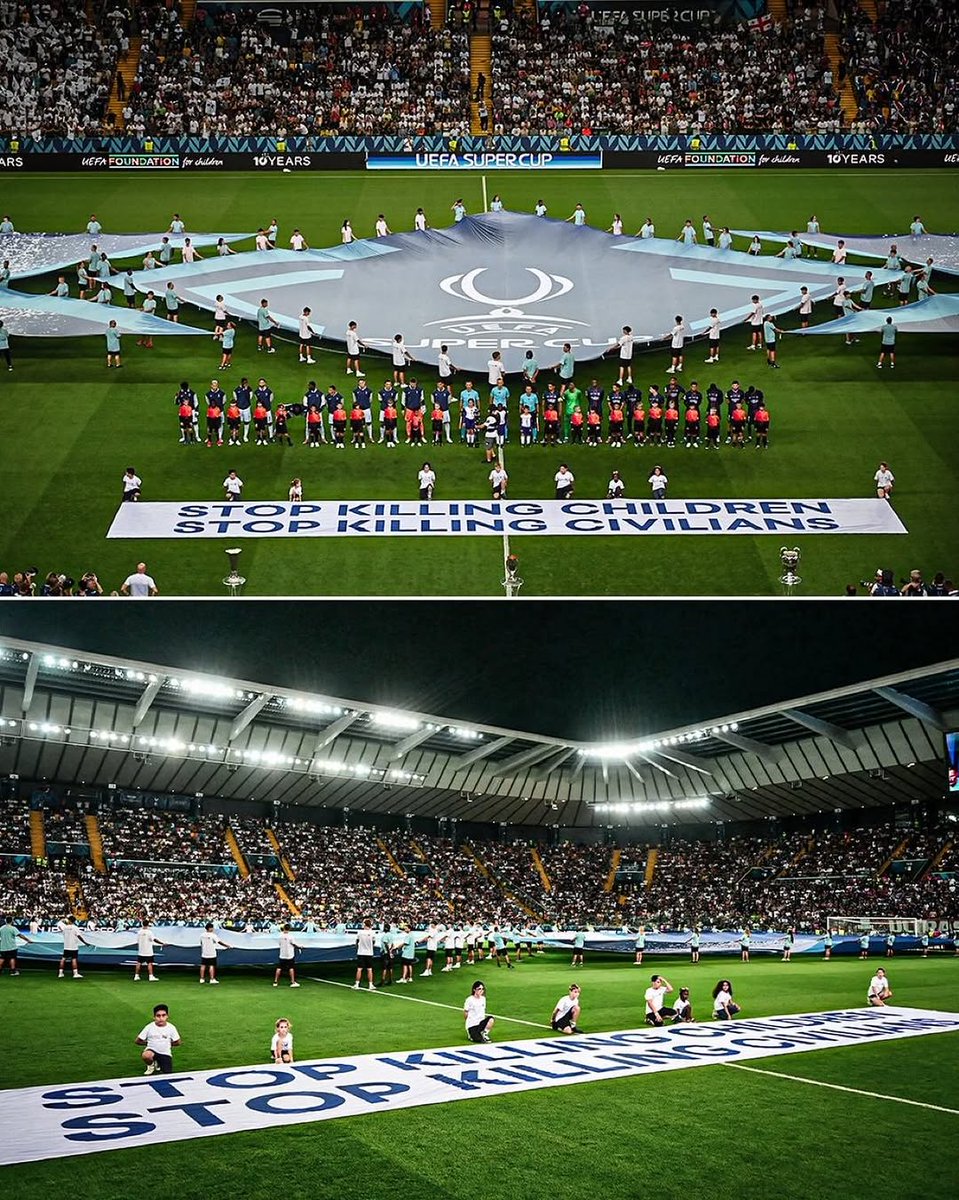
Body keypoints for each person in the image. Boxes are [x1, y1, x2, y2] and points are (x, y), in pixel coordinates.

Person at [137, 1003, 181, 1076]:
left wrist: (167, 1043)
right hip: (152, 1051)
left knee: (167, 1074)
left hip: (165, 1053)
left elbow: (178, 1042)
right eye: (158, 1016)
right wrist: (150, 1043)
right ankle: (151, 1065)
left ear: (167, 1016)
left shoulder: (171, 1028)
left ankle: (158, 1063)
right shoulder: (149, 1027)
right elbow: (138, 1041)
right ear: (154, 1017)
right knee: (146, 1055)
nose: (161, 1018)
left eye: (163, 1015)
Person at [353, 918, 377, 991]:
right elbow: (373, 942)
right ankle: (370, 984)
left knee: (359, 969)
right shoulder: (373, 933)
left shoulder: (360, 932)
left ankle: (357, 984)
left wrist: (358, 948)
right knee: (369, 969)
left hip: (361, 953)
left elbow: (356, 942)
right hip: (369, 953)